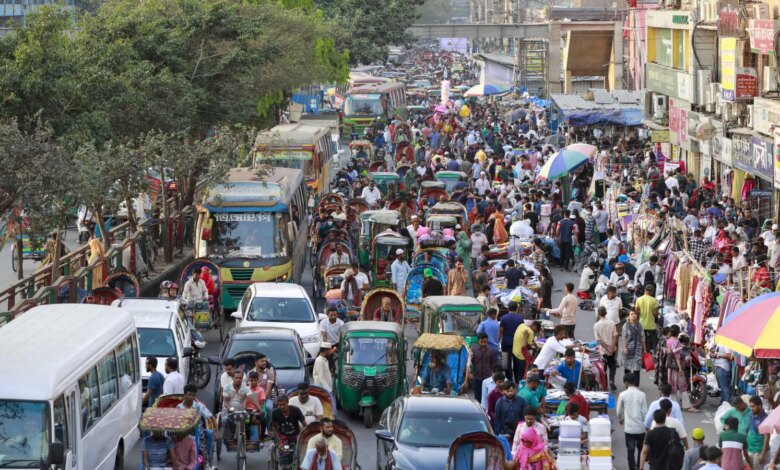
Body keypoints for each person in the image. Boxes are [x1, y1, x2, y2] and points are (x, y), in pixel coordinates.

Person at [178, 384, 215, 467]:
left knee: (205, 437)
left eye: (193, 395)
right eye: (189, 394)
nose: (191, 397)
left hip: (198, 431)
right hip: (183, 432)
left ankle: (206, 462)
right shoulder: (179, 407)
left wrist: (216, 432)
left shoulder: (198, 406)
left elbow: (211, 416)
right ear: (184, 395)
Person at [617, 372, 648, 470]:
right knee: (640, 449)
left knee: (630, 451)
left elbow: (619, 411)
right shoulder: (642, 395)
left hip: (629, 428)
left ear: (625, 383)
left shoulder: (622, 395)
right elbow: (644, 412)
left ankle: (632, 468)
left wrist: (621, 419)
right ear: (635, 382)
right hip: (640, 428)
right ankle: (640, 467)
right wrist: (646, 426)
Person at [594, 306, 619, 390]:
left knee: (603, 368)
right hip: (612, 349)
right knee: (612, 366)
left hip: (603, 350)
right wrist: (611, 346)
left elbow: (599, 340)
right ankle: (611, 380)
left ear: (598, 314)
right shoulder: (611, 323)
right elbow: (615, 335)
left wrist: (606, 348)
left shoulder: (596, 325)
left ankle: (605, 385)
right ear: (606, 313)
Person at [499, 302, 524, 382]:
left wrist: (498, 340)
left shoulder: (503, 318)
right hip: (517, 344)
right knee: (517, 362)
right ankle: (517, 379)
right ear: (516, 308)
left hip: (505, 343)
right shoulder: (520, 318)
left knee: (505, 362)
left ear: (508, 308)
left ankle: (508, 379)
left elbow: (501, 331)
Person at [470, 332, 497, 404]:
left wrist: (493, 374)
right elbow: (470, 363)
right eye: (481, 342)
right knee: (477, 397)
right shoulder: (473, 350)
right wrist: (471, 373)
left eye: (485, 342)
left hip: (487, 377)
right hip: (477, 377)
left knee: (487, 397)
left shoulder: (491, 351)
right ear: (478, 341)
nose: (483, 344)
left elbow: (493, 364)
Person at [636, 283, 660, 352]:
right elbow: (656, 313)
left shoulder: (639, 299)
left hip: (641, 324)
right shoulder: (654, 300)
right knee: (654, 341)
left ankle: (646, 353)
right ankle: (656, 354)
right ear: (651, 291)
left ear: (645, 290)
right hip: (651, 324)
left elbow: (637, 311)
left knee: (644, 340)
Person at [746, 395, 769, 468]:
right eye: (750, 406)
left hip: (758, 452)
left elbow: (767, 437)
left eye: (753, 406)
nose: (751, 408)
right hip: (750, 449)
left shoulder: (765, 419)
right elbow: (749, 429)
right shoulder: (752, 415)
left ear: (760, 406)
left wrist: (763, 454)